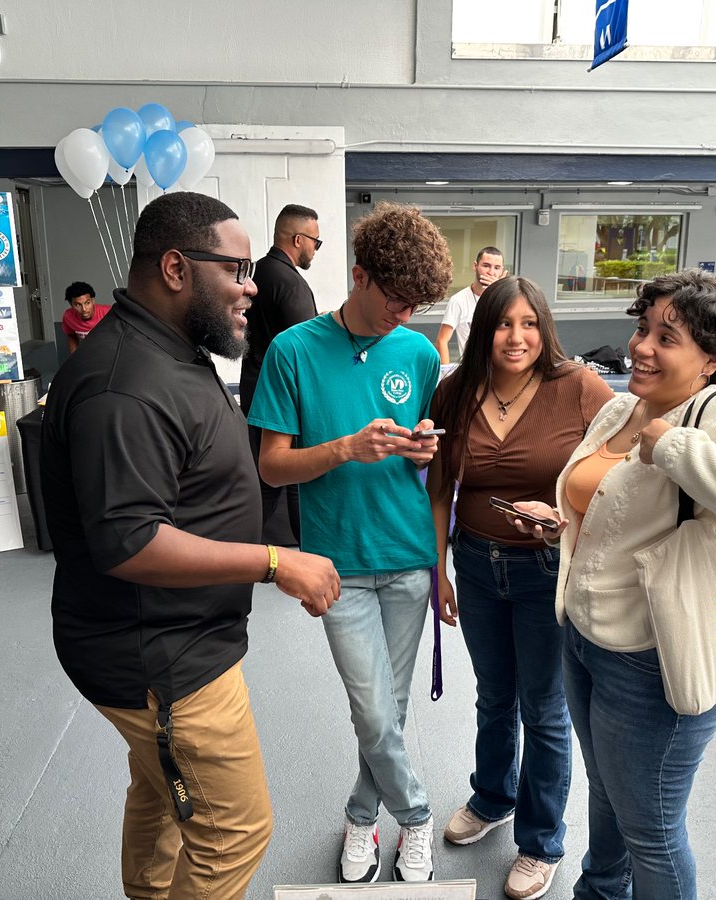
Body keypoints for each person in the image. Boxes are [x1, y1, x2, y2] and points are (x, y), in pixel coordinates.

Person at [40, 192, 340, 900]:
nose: (254, 285)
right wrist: (275, 561)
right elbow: (131, 542)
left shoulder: (170, 347)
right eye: (236, 269)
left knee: (161, 791)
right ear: (176, 267)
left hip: (174, 636)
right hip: (163, 656)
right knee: (235, 830)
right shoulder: (127, 387)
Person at [514, 270, 716, 899]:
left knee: (651, 830)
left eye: (666, 337)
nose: (641, 347)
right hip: (586, 639)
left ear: (712, 359)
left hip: (653, 663)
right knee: (609, 796)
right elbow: (613, 510)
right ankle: (599, 892)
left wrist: (676, 447)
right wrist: (563, 528)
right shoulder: (623, 406)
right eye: (643, 328)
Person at [248, 202, 453, 885]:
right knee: (371, 707)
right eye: (397, 300)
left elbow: (425, 461)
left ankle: (363, 819)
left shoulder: (419, 353)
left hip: (407, 556)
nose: (407, 313)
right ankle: (418, 815)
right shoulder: (293, 351)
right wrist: (342, 448)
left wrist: (423, 449)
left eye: (418, 303)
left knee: (386, 712)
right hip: (336, 564)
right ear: (359, 276)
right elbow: (271, 465)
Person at [426, 276, 612, 900]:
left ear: (545, 329)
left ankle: (540, 841)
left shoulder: (580, 387)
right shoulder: (455, 390)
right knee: (493, 694)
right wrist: (439, 568)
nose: (517, 337)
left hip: (545, 570)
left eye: (529, 323)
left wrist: (569, 511)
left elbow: (621, 471)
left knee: (544, 706)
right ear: (484, 328)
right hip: (476, 565)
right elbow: (439, 487)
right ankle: (492, 798)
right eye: (504, 323)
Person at [240, 204, 321, 544]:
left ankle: (240, 549)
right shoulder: (290, 283)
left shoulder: (257, 274)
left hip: (255, 386)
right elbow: (308, 351)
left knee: (267, 479)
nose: (316, 249)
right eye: (316, 242)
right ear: (298, 239)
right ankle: (308, 554)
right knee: (287, 481)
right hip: (282, 397)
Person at [436, 246, 506, 363]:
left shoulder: (505, 299)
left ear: (502, 271)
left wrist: (498, 291)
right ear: (475, 266)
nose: (491, 272)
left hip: (501, 369)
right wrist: (445, 375)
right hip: (472, 370)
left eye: (497, 268)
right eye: (486, 266)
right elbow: (442, 340)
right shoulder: (459, 300)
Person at [61, 281, 113, 353]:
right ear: (71, 304)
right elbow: (71, 335)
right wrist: (74, 356)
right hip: (90, 354)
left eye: (87, 303)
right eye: (78, 305)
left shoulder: (109, 312)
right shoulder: (68, 316)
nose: (84, 309)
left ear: (93, 301)